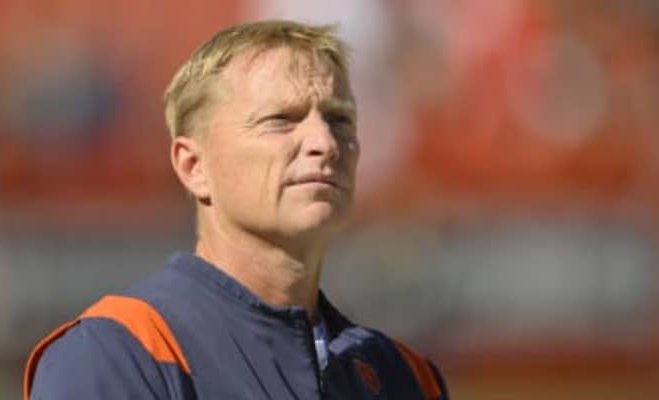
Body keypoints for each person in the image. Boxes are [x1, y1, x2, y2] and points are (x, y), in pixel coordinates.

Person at [23, 20, 449, 399]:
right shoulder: (123, 351)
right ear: (194, 166)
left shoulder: (406, 376)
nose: (325, 143)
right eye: (281, 120)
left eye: (339, 120)